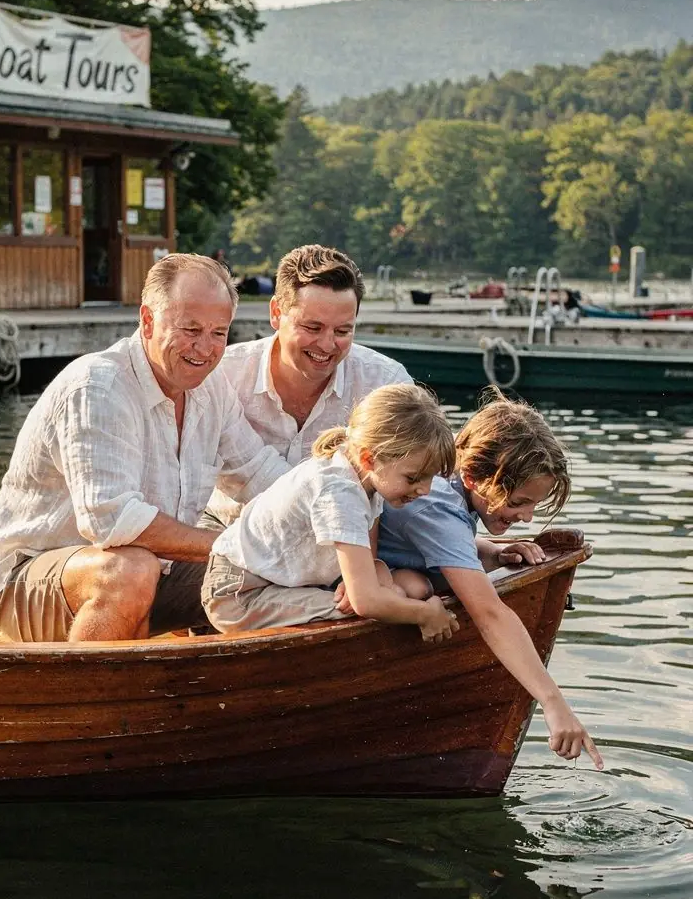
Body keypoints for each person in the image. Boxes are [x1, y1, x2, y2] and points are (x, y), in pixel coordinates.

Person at [0, 254, 289, 643]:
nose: (204, 348)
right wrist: (232, 544)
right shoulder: (99, 387)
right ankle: (83, 699)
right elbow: (112, 521)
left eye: (218, 333)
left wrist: (331, 505)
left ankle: (204, 685)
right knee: (130, 569)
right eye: (190, 329)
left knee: (275, 570)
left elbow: (259, 473)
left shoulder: (212, 387)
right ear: (148, 320)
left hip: (154, 571)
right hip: (25, 581)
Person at [376, 391, 604, 769]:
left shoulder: (446, 482)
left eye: (534, 504)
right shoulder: (433, 506)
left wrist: (492, 551)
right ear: (472, 476)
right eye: (517, 503)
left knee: (418, 583)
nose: (528, 517)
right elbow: (489, 614)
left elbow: (443, 532)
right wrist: (553, 702)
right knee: (415, 587)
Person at [201, 382, 460, 640]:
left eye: (430, 478)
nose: (424, 490)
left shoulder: (368, 479)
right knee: (379, 607)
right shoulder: (339, 491)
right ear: (370, 459)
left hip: (279, 582)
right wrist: (425, 614)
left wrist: (377, 583)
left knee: (397, 592)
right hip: (240, 594)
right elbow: (366, 601)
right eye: (413, 478)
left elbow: (366, 565)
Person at [210, 244, 413, 521]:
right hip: (229, 530)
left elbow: (418, 485)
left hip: (346, 542)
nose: (327, 345)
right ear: (276, 313)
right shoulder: (223, 375)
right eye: (312, 327)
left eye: (343, 330)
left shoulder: (386, 384)